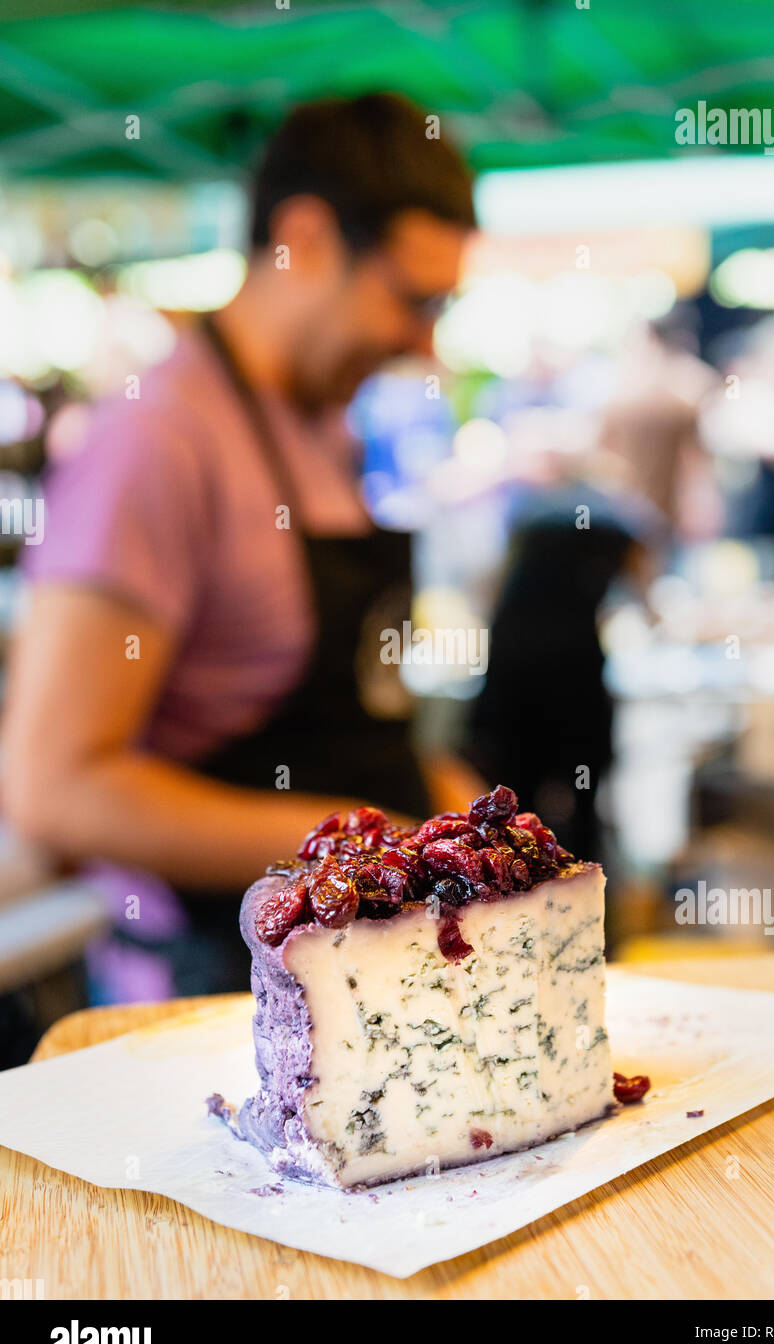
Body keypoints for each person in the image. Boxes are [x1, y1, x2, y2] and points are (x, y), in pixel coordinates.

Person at [1, 94, 481, 1002]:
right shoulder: (157, 443)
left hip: (366, 966)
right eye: (412, 299)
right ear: (302, 237)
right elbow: (54, 786)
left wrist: (459, 817)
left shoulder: (320, 427)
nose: (424, 339)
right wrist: (369, 844)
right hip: (224, 987)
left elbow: (351, 716)